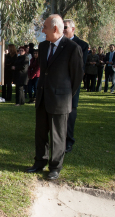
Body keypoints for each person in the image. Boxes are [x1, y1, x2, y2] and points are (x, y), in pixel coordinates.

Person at [26, 14, 83, 180]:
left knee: (58, 136)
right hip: (43, 97)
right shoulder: (43, 47)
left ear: (55, 28)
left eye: (45, 27)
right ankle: (39, 162)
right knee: (41, 133)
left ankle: (55, 167)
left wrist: (66, 96)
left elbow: (77, 76)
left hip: (60, 100)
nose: (43, 30)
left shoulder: (72, 48)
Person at [62, 19, 88, 153]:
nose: (63, 29)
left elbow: (80, 67)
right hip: (58, 83)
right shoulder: (58, 43)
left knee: (71, 112)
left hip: (72, 84)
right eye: (62, 27)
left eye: (65, 27)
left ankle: (68, 141)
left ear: (73, 29)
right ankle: (59, 139)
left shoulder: (82, 45)